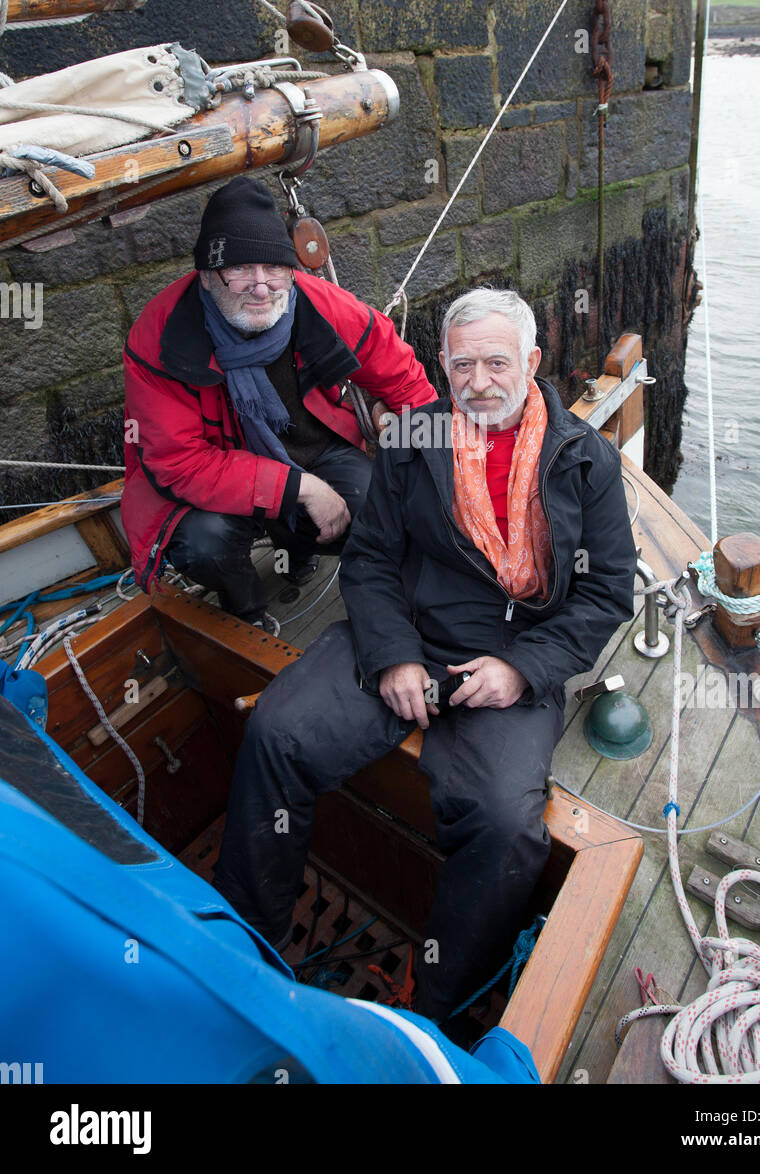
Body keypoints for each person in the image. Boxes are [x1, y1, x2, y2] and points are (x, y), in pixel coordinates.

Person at [212, 287, 637, 1024]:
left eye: (497, 362)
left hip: (511, 658)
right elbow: (372, 560)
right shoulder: (413, 440)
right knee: (278, 730)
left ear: (532, 362)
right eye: (462, 363)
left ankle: (438, 1008)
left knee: (507, 827)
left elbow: (606, 595)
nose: (479, 382)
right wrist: (395, 657)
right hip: (406, 632)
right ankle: (250, 944)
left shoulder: (586, 461)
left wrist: (522, 672)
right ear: (441, 363)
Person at [121, 176, 437, 624]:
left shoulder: (320, 304)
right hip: (212, 483)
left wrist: (438, 463)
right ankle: (245, 608)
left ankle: (303, 549)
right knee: (202, 546)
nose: (262, 286)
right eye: (240, 269)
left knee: (379, 508)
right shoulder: (159, 340)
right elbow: (180, 463)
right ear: (208, 277)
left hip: (315, 450)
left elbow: (403, 380)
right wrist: (301, 488)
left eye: (275, 268)